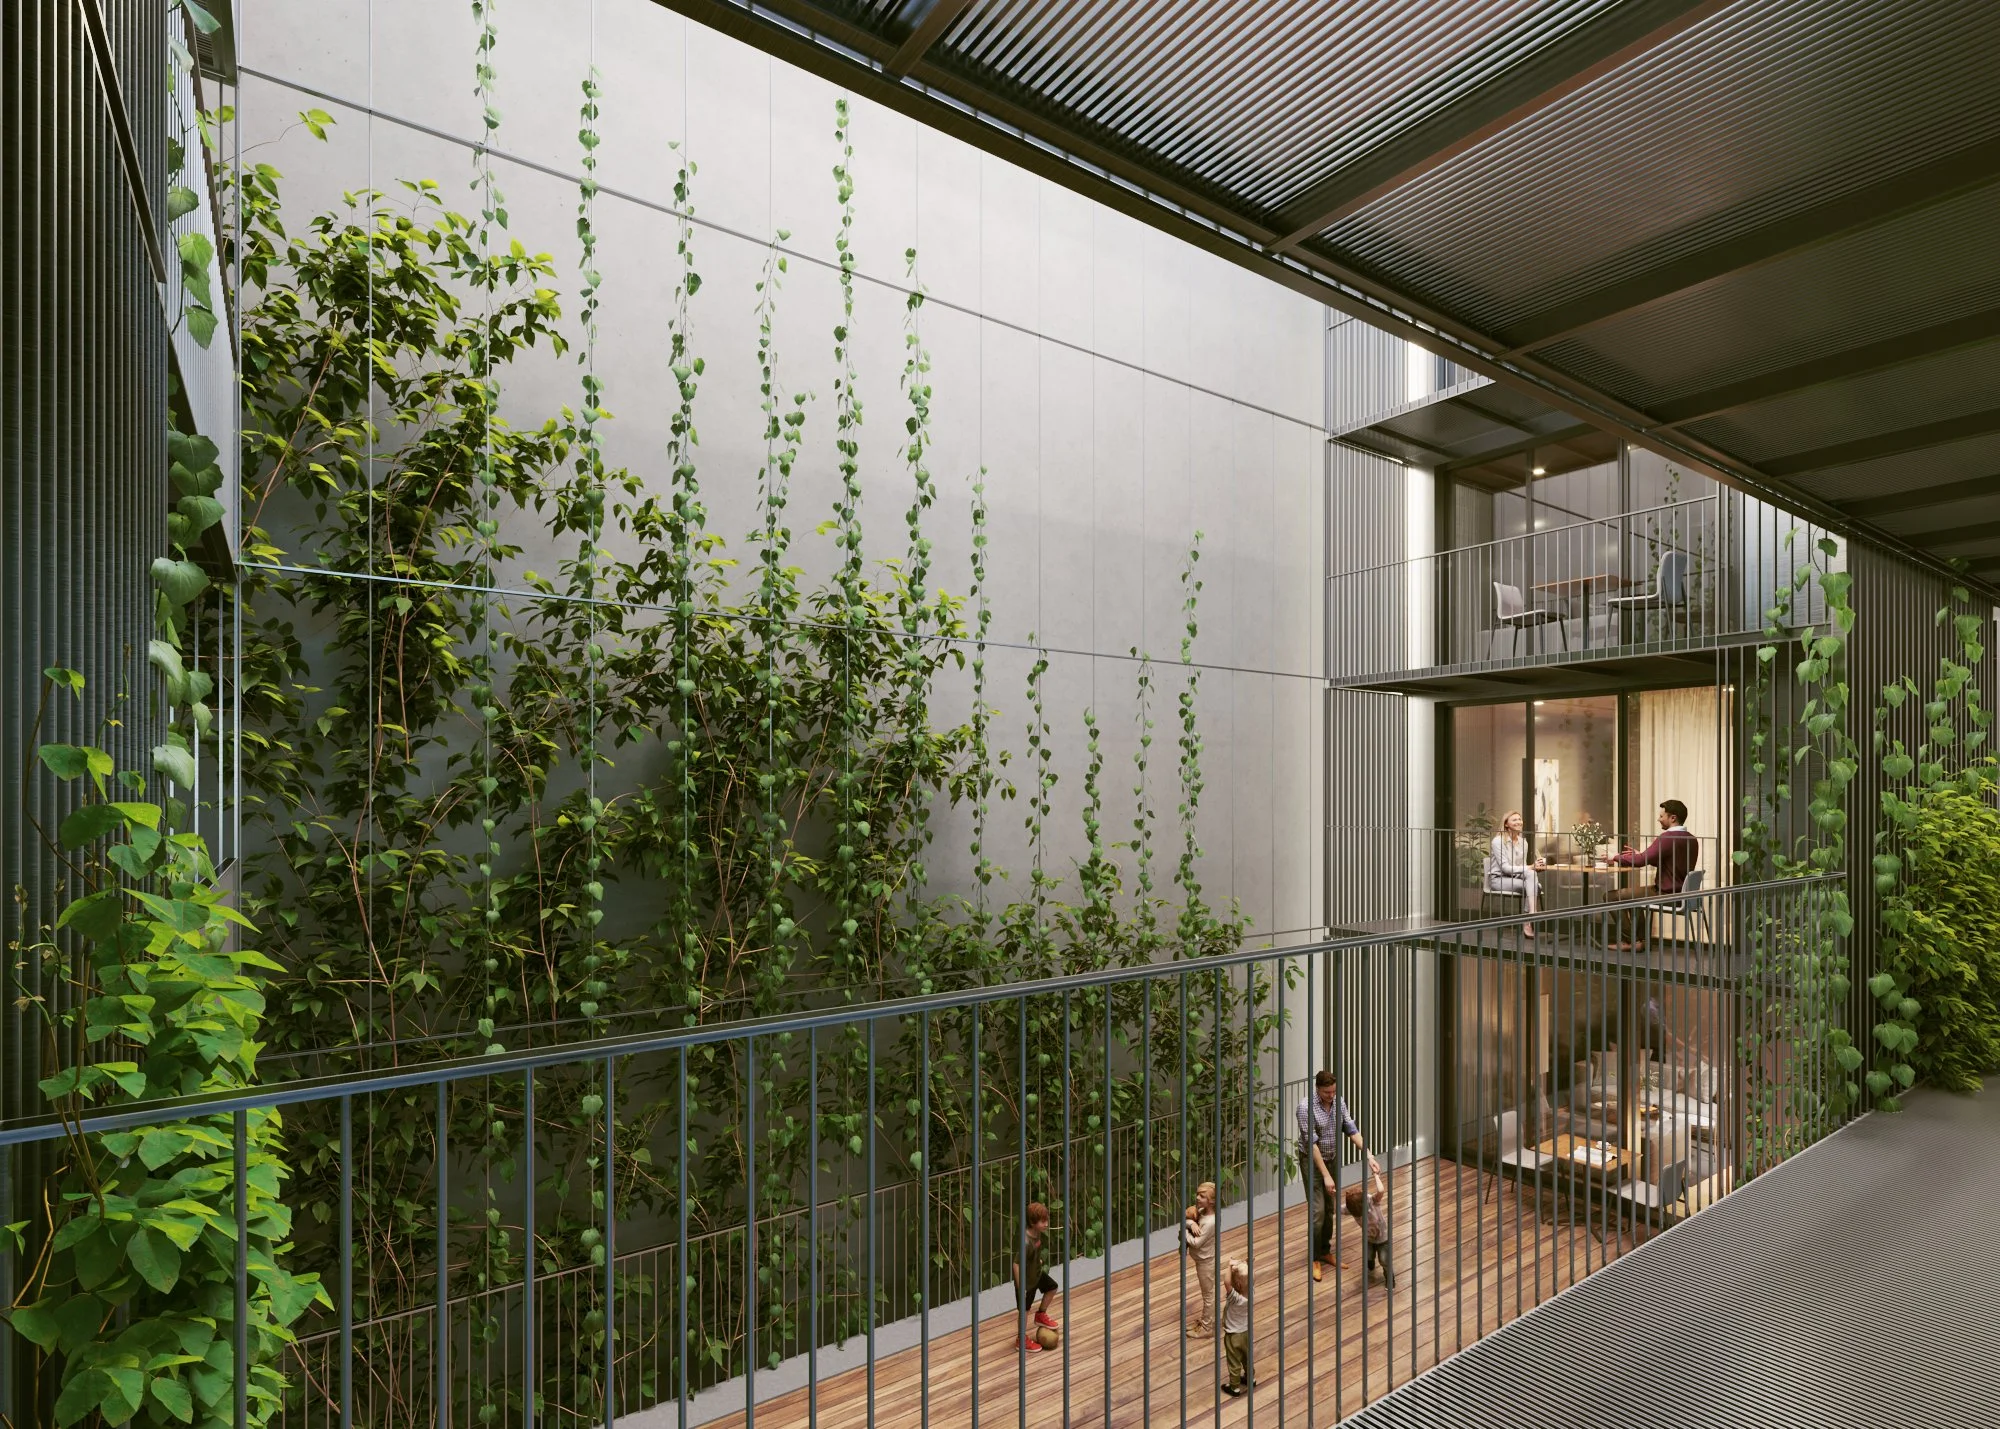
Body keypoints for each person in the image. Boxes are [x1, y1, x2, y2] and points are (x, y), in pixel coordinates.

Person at [1296, 1071, 1373, 1280]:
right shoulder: (1305, 1108)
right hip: (1312, 1162)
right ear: (1317, 1089)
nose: (1331, 1095)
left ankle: (1324, 1251)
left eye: (1334, 1091)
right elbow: (1311, 1145)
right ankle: (1314, 1258)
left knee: (1330, 1208)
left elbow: (1350, 1128)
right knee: (1317, 1211)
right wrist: (1326, 1175)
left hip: (1332, 1158)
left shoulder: (1338, 1102)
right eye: (1327, 1092)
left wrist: (1368, 1154)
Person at [1608, 799, 1700, 949]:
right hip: (1683, 894)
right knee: (1633, 895)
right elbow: (1673, 864)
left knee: (1611, 897)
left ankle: (1630, 941)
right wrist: (1642, 855)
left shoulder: (1667, 838)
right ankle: (1639, 942)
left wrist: (1615, 857)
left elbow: (1640, 861)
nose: (1659, 819)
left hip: (1667, 894)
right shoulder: (1692, 839)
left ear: (1673, 818)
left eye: (1661, 816)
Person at [1485, 810, 1546, 937]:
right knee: (1535, 886)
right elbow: (1506, 868)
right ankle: (1530, 918)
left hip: (1515, 877)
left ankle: (1530, 915)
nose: (1519, 822)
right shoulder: (1498, 841)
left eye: (1519, 819)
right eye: (1514, 820)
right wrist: (1530, 867)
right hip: (1498, 879)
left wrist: (1536, 866)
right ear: (1506, 824)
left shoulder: (1523, 842)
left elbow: (1521, 867)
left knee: (1531, 875)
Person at [1013, 1201, 1061, 1353]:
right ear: (1033, 1223)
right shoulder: (1026, 1242)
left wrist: (1037, 1260)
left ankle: (1040, 1314)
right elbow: (1016, 1264)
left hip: (1037, 1274)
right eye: (1043, 1221)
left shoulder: (1037, 1234)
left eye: (1047, 1220)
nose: (1047, 1224)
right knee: (1024, 1310)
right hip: (1027, 1282)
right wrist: (1021, 1287)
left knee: (1052, 1287)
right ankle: (1021, 1340)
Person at [1343, 1163, 1395, 1289]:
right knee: (1368, 1255)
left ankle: (1389, 1276)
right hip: (1368, 1238)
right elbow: (1336, 1209)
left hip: (1383, 1238)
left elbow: (1381, 1190)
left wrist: (1376, 1175)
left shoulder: (1372, 1201)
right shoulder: (1352, 1209)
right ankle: (1370, 1262)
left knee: (1384, 1260)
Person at [1182, 1181, 1219, 1337]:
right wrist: (1190, 1224)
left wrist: (1184, 1232)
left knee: (1208, 1294)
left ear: (1211, 1201)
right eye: (1197, 1194)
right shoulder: (1202, 1211)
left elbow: (1196, 1243)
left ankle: (1207, 1328)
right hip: (1201, 1260)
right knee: (1208, 1293)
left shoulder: (1210, 1222)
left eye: (1202, 1196)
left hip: (1206, 1262)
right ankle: (1207, 1320)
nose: (1197, 1198)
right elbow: (1186, 1217)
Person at [1219, 1259, 1254, 1397]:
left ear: (1237, 1285)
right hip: (1246, 1332)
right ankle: (1251, 1378)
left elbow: (1226, 1282)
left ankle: (1234, 1387)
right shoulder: (1251, 1293)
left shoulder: (1235, 1299)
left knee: (1234, 1361)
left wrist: (1229, 1265)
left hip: (1233, 1335)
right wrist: (1248, 1264)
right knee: (1247, 1357)